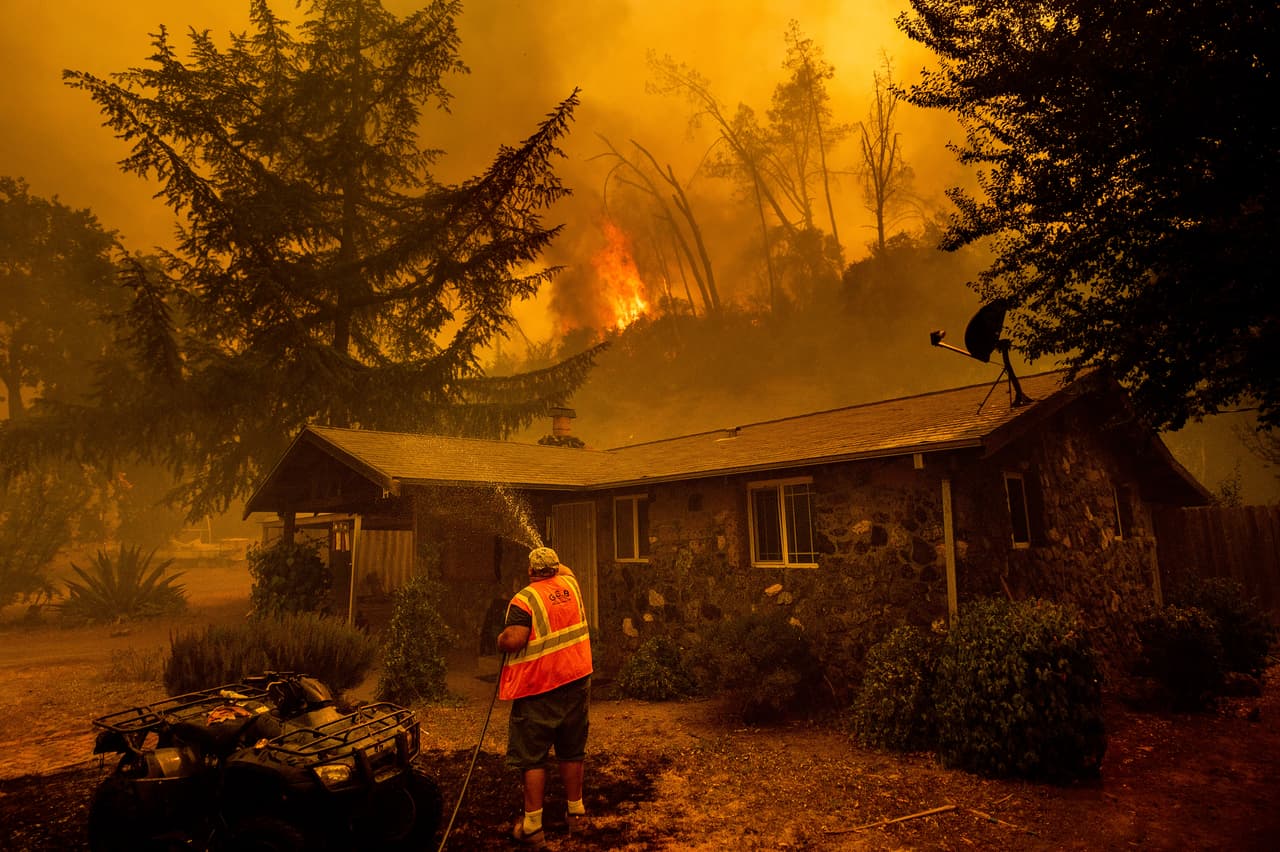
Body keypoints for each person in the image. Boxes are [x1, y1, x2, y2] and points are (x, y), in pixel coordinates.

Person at [497, 546, 593, 846]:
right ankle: (576, 816)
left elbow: (514, 639)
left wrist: (499, 639)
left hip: (540, 688)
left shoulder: (525, 599)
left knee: (532, 757)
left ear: (530, 571)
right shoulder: (571, 585)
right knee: (571, 750)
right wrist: (553, 561)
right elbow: (566, 570)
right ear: (554, 568)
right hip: (576, 682)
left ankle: (533, 826)